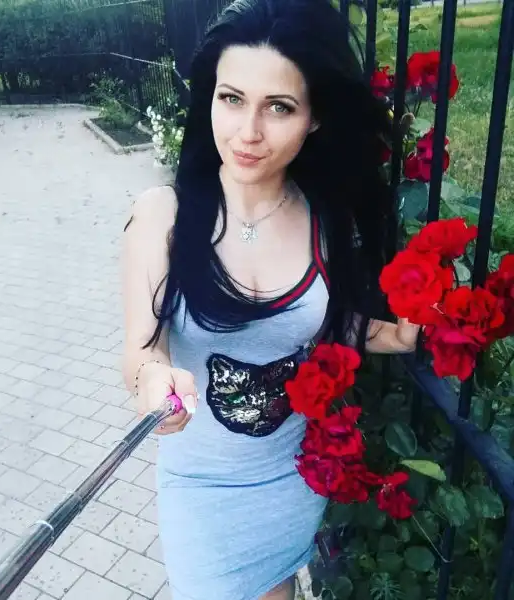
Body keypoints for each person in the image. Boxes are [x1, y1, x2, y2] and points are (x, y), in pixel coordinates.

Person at [122, 0, 420, 598]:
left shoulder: (324, 221)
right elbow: (141, 352)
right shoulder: (165, 215)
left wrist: (399, 334)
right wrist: (153, 383)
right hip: (201, 489)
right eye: (231, 99)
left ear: (314, 117)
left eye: (279, 107)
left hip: (290, 481)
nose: (248, 132)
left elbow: (321, 323)